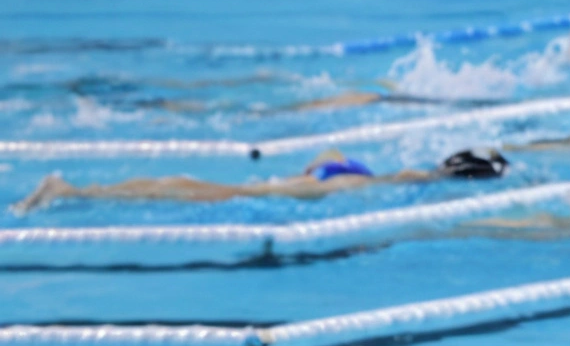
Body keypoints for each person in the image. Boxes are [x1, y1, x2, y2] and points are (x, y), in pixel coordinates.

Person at [11, 149, 509, 215]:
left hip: (306, 180)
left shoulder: (370, 167)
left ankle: (74, 190)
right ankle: (70, 191)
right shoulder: (402, 179)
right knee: (185, 187)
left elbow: (328, 154)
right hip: (299, 190)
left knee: (182, 179)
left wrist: (299, 175)